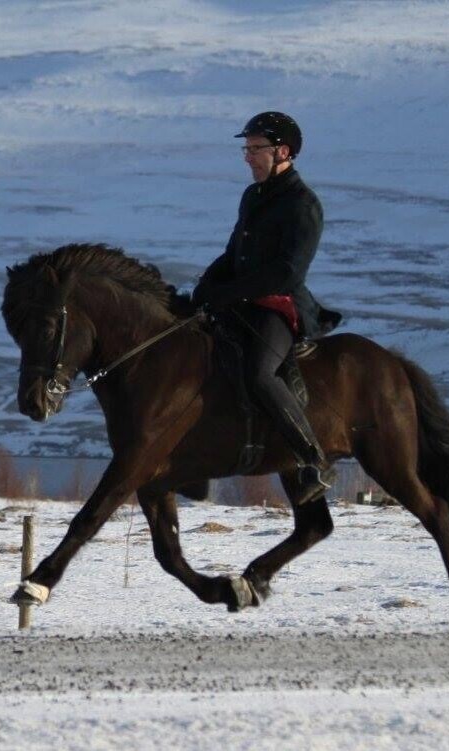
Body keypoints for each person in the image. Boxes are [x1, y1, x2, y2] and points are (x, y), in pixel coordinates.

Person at [192, 111, 340, 505]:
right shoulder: (252, 196)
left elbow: (288, 271)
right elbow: (233, 253)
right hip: (241, 301)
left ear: (283, 152)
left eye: (255, 149)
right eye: (247, 148)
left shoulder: (303, 204)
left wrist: (230, 293)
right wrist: (206, 286)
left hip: (280, 307)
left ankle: (313, 459)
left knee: (260, 374)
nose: (248, 157)